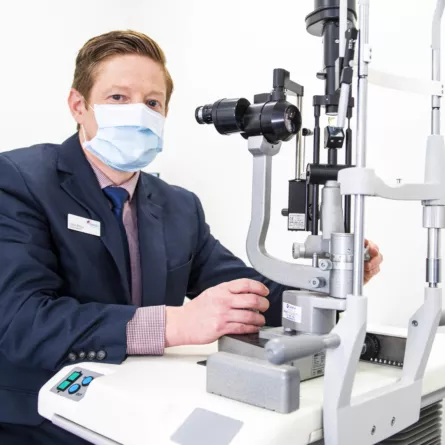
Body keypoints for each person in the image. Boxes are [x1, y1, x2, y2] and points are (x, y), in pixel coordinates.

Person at [0, 30, 383, 445]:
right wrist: (175, 323)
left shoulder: (179, 207)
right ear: (79, 105)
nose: (138, 112)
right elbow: (23, 322)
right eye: (117, 98)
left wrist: (326, 286)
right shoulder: (21, 180)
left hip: (139, 406)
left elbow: (247, 293)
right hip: (43, 417)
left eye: (152, 102)